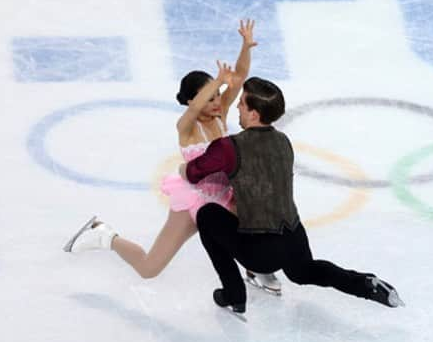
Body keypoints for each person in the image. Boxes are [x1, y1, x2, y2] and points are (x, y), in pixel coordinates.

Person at [64, 20, 281, 295]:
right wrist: (215, 80)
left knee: (253, 222)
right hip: (194, 200)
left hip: (225, 196)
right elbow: (200, 105)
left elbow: (238, 78)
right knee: (149, 268)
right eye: (209, 97)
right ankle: (104, 236)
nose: (217, 101)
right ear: (192, 101)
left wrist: (245, 46)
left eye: (218, 96)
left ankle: (256, 269)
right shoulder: (187, 127)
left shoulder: (221, 115)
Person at [181, 74, 404, 316]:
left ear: (254, 114)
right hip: (293, 237)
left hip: (260, 250)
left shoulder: (227, 147)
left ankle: (234, 292)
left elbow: (194, 174)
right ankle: (364, 284)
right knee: (306, 272)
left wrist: (184, 169)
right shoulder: (283, 141)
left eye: (243, 104)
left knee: (206, 214)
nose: (237, 107)